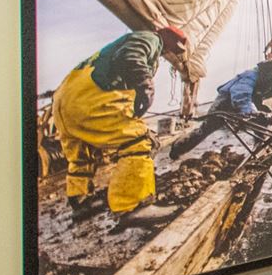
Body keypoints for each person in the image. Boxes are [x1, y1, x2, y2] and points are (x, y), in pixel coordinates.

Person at [54, 26, 185, 227]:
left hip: (64, 99)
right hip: (91, 98)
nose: (172, 53)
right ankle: (133, 206)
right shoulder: (151, 39)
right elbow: (130, 56)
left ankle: (81, 203)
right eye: (174, 49)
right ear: (168, 40)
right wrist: (145, 85)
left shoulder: (112, 47)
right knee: (141, 141)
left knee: (82, 153)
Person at [170, 42, 272, 159]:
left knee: (262, 120)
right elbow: (241, 96)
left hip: (251, 101)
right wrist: (252, 112)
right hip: (226, 102)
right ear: (270, 68)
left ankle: (259, 151)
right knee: (207, 128)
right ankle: (177, 149)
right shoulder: (251, 75)